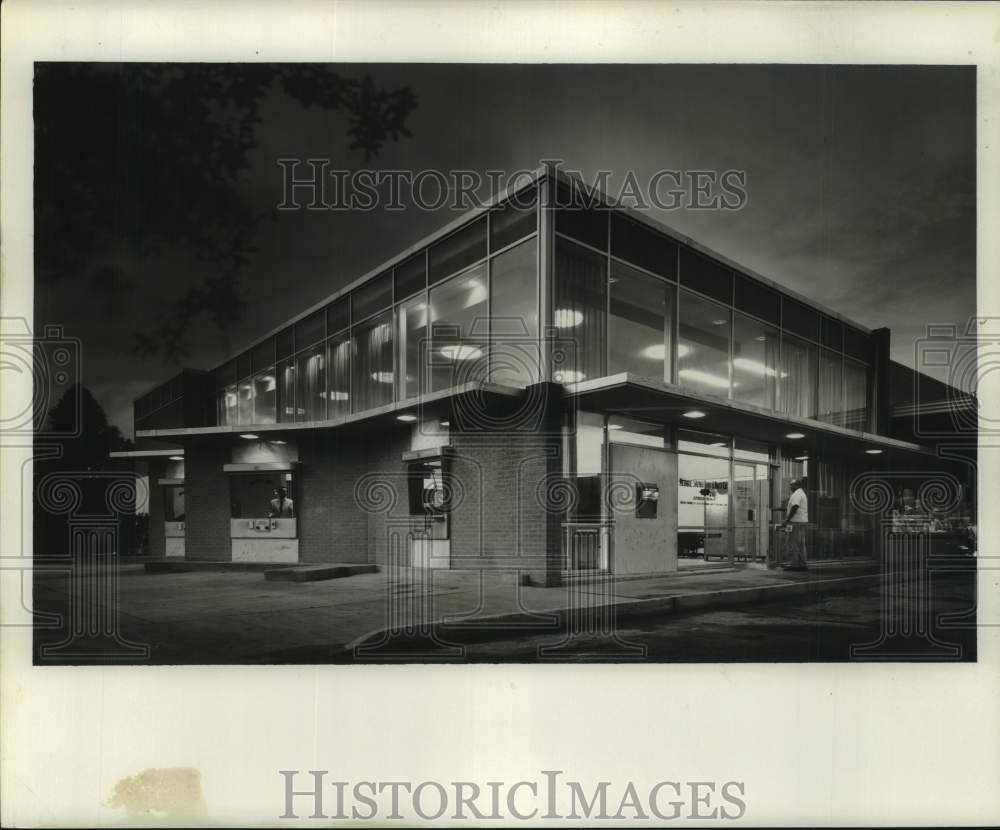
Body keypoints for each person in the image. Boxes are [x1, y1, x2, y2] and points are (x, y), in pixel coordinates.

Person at [782, 478, 808, 571]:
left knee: (794, 543)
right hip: (801, 521)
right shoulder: (801, 493)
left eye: (791, 485)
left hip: (796, 521)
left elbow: (795, 506)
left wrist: (787, 519)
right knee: (800, 544)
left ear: (797, 485)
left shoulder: (797, 494)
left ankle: (795, 565)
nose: (790, 486)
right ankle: (802, 564)